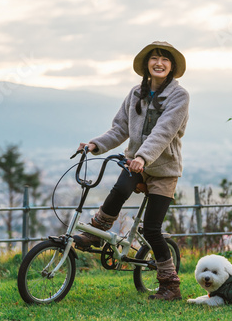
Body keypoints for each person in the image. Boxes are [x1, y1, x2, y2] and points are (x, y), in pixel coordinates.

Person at [73, 41, 189, 301]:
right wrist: (95, 144)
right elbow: (120, 128)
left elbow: (164, 131)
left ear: (171, 67)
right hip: (136, 162)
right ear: (147, 64)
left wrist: (143, 157)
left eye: (165, 60)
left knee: (152, 230)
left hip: (163, 170)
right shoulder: (136, 93)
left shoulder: (179, 96)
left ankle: (170, 285)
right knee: (120, 188)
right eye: (154, 58)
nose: (159, 63)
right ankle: (95, 235)